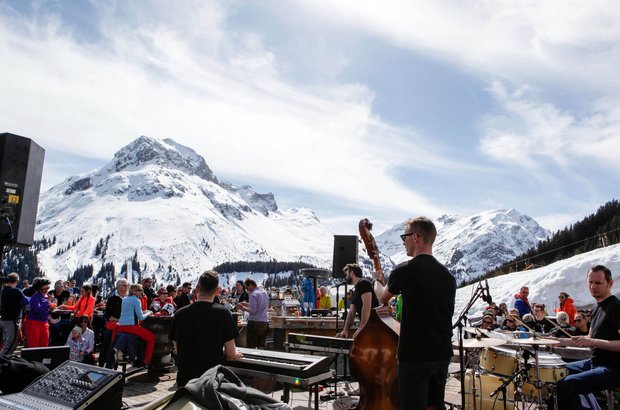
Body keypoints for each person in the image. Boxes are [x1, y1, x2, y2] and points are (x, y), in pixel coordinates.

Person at [373, 217, 456, 410]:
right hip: (442, 354)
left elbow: (383, 297)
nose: (403, 242)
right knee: (435, 406)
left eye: (405, 236)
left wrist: (376, 280)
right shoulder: (448, 276)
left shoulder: (406, 270)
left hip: (415, 356)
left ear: (416, 237)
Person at [557, 265, 620, 409]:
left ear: (610, 283)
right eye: (590, 282)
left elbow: (592, 340)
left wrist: (592, 341)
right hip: (595, 362)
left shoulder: (616, 307)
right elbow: (589, 338)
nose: (593, 286)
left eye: (598, 283)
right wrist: (560, 342)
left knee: (567, 385)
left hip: (614, 368)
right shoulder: (597, 307)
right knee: (557, 372)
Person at [169, 270, 242, 387]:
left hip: (185, 382)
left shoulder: (179, 314)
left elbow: (178, 350)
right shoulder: (223, 313)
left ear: (197, 289)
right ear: (217, 291)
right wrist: (235, 354)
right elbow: (230, 354)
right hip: (210, 382)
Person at [336, 263, 379, 339]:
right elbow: (352, 312)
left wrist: (362, 327)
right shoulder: (356, 289)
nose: (346, 277)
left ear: (352, 273)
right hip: (368, 327)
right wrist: (345, 330)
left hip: (374, 327)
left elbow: (367, 306)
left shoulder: (364, 283)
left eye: (347, 274)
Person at [115, 284, 155, 365]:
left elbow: (130, 312)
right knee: (151, 338)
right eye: (139, 290)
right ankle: (147, 361)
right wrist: (149, 313)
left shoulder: (124, 299)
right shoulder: (137, 300)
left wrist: (143, 313)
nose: (142, 292)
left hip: (121, 326)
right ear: (133, 291)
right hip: (131, 327)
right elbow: (141, 317)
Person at [100, 278, 128, 368]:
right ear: (119, 287)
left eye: (127, 285)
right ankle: (107, 364)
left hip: (126, 326)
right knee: (109, 340)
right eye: (124, 285)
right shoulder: (112, 299)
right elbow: (108, 316)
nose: (126, 287)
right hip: (113, 325)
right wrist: (120, 320)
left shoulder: (129, 299)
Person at [1, 272, 29, 355]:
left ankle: (6, 360)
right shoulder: (16, 291)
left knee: (7, 342)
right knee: (11, 343)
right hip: (13, 319)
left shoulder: (4, 290)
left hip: (4, 319)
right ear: (17, 281)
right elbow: (26, 301)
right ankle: (2, 360)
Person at [238, 278, 269, 348]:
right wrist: (247, 304)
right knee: (261, 347)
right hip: (264, 322)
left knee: (251, 347)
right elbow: (259, 305)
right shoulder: (264, 292)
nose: (246, 289)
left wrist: (242, 308)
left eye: (247, 287)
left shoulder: (253, 294)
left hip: (254, 323)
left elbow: (253, 310)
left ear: (251, 285)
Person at [26, 278, 54, 348]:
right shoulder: (35, 297)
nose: (46, 290)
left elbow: (46, 309)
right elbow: (37, 309)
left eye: (47, 288)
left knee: (44, 344)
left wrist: (51, 307)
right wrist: (48, 302)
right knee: (34, 346)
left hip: (44, 323)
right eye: (43, 289)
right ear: (38, 289)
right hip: (35, 323)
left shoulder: (47, 296)